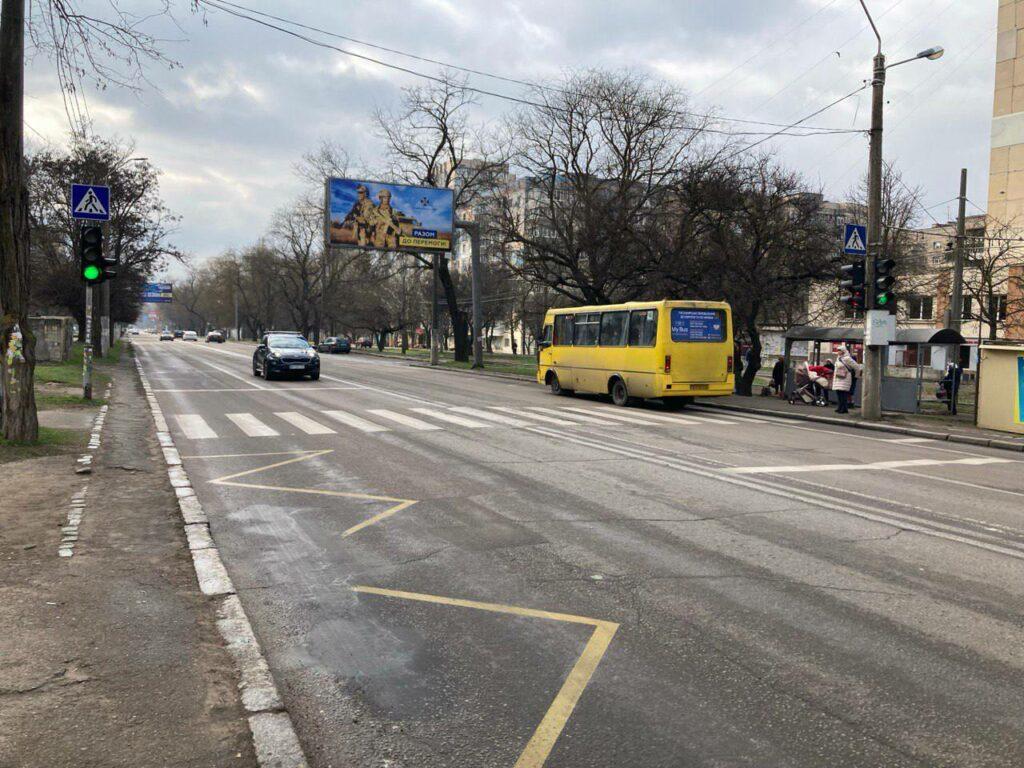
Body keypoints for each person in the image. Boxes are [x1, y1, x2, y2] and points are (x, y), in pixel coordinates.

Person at [832, 344, 862, 414]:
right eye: (838, 350)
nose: (838, 352)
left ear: (843, 351)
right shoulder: (838, 358)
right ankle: (840, 408)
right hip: (838, 378)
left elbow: (857, 367)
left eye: (839, 350)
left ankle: (843, 409)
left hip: (845, 378)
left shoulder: (847, 358)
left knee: (843, 394)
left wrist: (856, 376)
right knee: (839, 393)